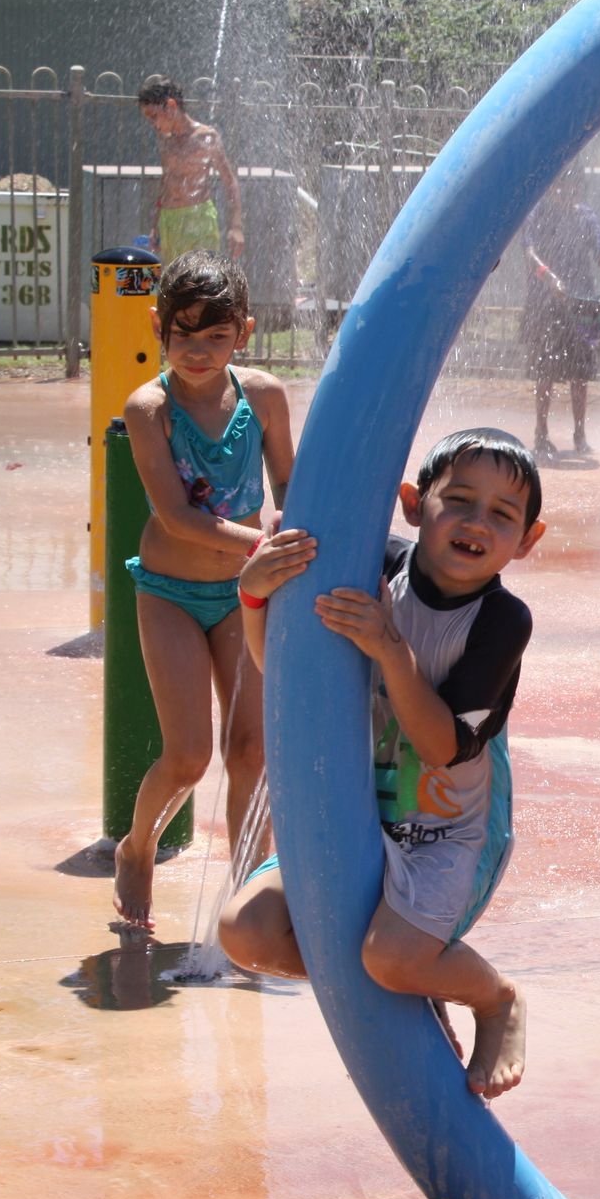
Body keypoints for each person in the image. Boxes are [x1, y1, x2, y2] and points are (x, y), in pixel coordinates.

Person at [220, 428, 547, 1100]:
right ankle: (414, 982)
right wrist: (255, 595)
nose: (475, 523)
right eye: (457, 500)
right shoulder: (373, 567)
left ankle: (493, 997)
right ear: (410, 503)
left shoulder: (501, 621)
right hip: (352, 817)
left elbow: (440, 746)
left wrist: (391, 649)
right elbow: (279, 668)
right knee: (244, 932)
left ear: (528, 539)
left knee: (390, 956)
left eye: (501, 514)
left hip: (447, 832)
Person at [113, 251, 294, 932]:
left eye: (214, 336)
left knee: (251, 751)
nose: (196, 350)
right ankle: (139, 845)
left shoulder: (266, 397)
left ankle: (250, 900)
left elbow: (293, 489)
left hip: (244, 594)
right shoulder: (149, 409)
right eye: (182, 334)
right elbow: (175, 518)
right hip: (170, 593)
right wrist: (261, 546)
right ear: (158, 326)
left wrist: (302, 547)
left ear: (242, 332)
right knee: (188, 756)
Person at [522, 169, 600, 459]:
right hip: (545, 302)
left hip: (580, 303)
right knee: (545, 371)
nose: (567, 195)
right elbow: (529, 252)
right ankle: (541, 433)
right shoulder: (539, 213)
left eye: (573, 190)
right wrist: (549, 278)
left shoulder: (585, 217)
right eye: (562, 189)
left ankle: (579, 433)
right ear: (553, 189)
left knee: (581, 372)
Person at [138, 78, 244, 260]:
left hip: (198, 218)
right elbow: (166, 180)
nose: (153, 124)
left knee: (200, 281)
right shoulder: (166, 139)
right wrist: (155, 224)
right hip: (169, 220)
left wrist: (236, 227)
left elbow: (230, 182)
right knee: (173, 284)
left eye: (154, 116)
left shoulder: (206, 138)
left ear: (171, 106)